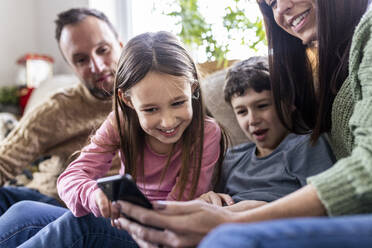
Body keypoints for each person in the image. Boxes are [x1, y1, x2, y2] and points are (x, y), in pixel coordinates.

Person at [100, 0, 372, 247]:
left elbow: (365, 170)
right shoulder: (333, 66)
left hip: (339, 216)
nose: (281, 9)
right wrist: (211, 205)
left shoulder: (368, 32)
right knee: (77, 223)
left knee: (225, 239)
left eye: (263, 106)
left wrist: (232, 220)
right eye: (271, 3)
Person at [2, 31, 227, 248]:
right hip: (123, 220)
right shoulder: (121, 122)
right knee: (24, 211)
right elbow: (71, 177)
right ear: (127, 100)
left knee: (84, 225)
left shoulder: (205, 133)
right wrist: (93, 194)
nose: (167, 122)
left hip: (158, 233)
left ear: (193, 88)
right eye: (150, 109)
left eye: (178, 103)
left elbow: (177, 211)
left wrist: (126, 214)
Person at [0, 7, 123, 215]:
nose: (97, 66)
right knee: (19, 209)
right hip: (52, 201)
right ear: (71, 66)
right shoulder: (57, 109)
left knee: (22, 214)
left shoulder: (149, 98)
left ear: (121, 46)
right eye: (81, 60)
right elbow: (5, 161)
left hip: (97, 214)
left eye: (103, 50)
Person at [199, 56, 334, 208]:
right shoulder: (232, 158)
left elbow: (325, 203)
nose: (253, 119)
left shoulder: (305, 146)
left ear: (289, 103)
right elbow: (215, 200)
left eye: (262, 106)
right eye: (242, 111)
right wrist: (209, 198)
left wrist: (256, 211)